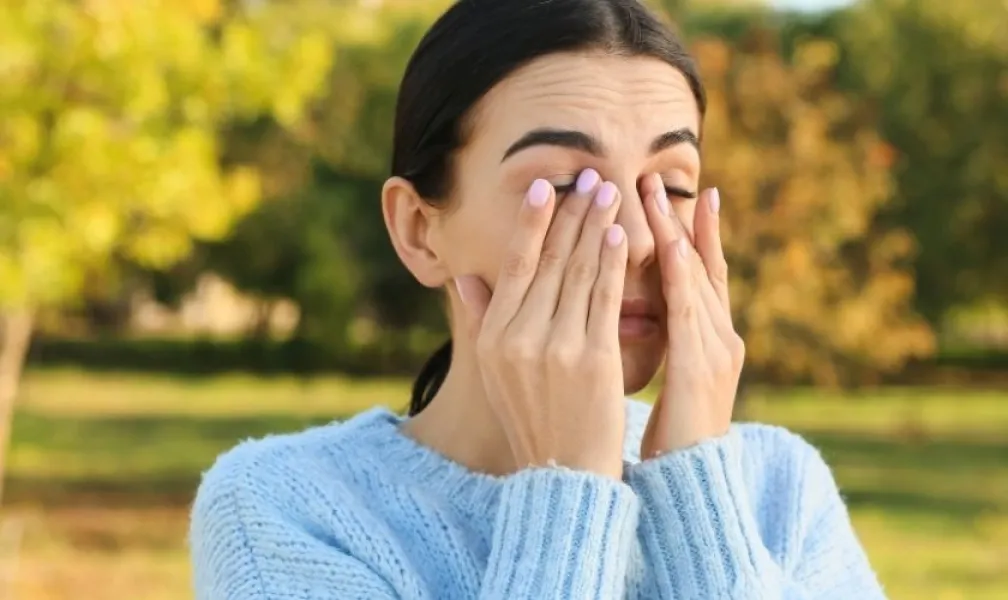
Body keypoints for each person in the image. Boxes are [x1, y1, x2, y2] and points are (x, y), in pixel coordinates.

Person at [189, 0, 887, 598]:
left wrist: (700, 499)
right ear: (419, 231)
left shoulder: (778, 493)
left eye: (671, 186)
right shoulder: (286, 508)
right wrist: (568, 494)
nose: (640, 238)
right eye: (563, 187)